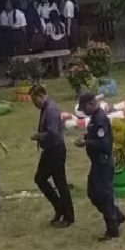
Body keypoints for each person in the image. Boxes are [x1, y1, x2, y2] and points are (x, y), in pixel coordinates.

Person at [75, 92, 125, 241]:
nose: (83, 111)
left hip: (103, 163)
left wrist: (87, 143)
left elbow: (104, 144)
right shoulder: (94, 119)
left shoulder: (100, 119)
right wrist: (87, 138)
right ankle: (117, 216)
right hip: (97, 163)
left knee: (104, 195)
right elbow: (96, 137)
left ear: (91, 104)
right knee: (93, 193)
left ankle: (112, 229)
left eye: (84, 107)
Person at [30, 84, 75, 228]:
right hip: (50, 150)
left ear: (41, 96)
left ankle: (67, 215)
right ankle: (60, 207)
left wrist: (38, 136)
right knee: (41, 179)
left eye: (34, 100)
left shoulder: (51, 110)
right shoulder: (46, 108)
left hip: (55, 150)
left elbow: (53, 133)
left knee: (59, 182)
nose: (34, 104)